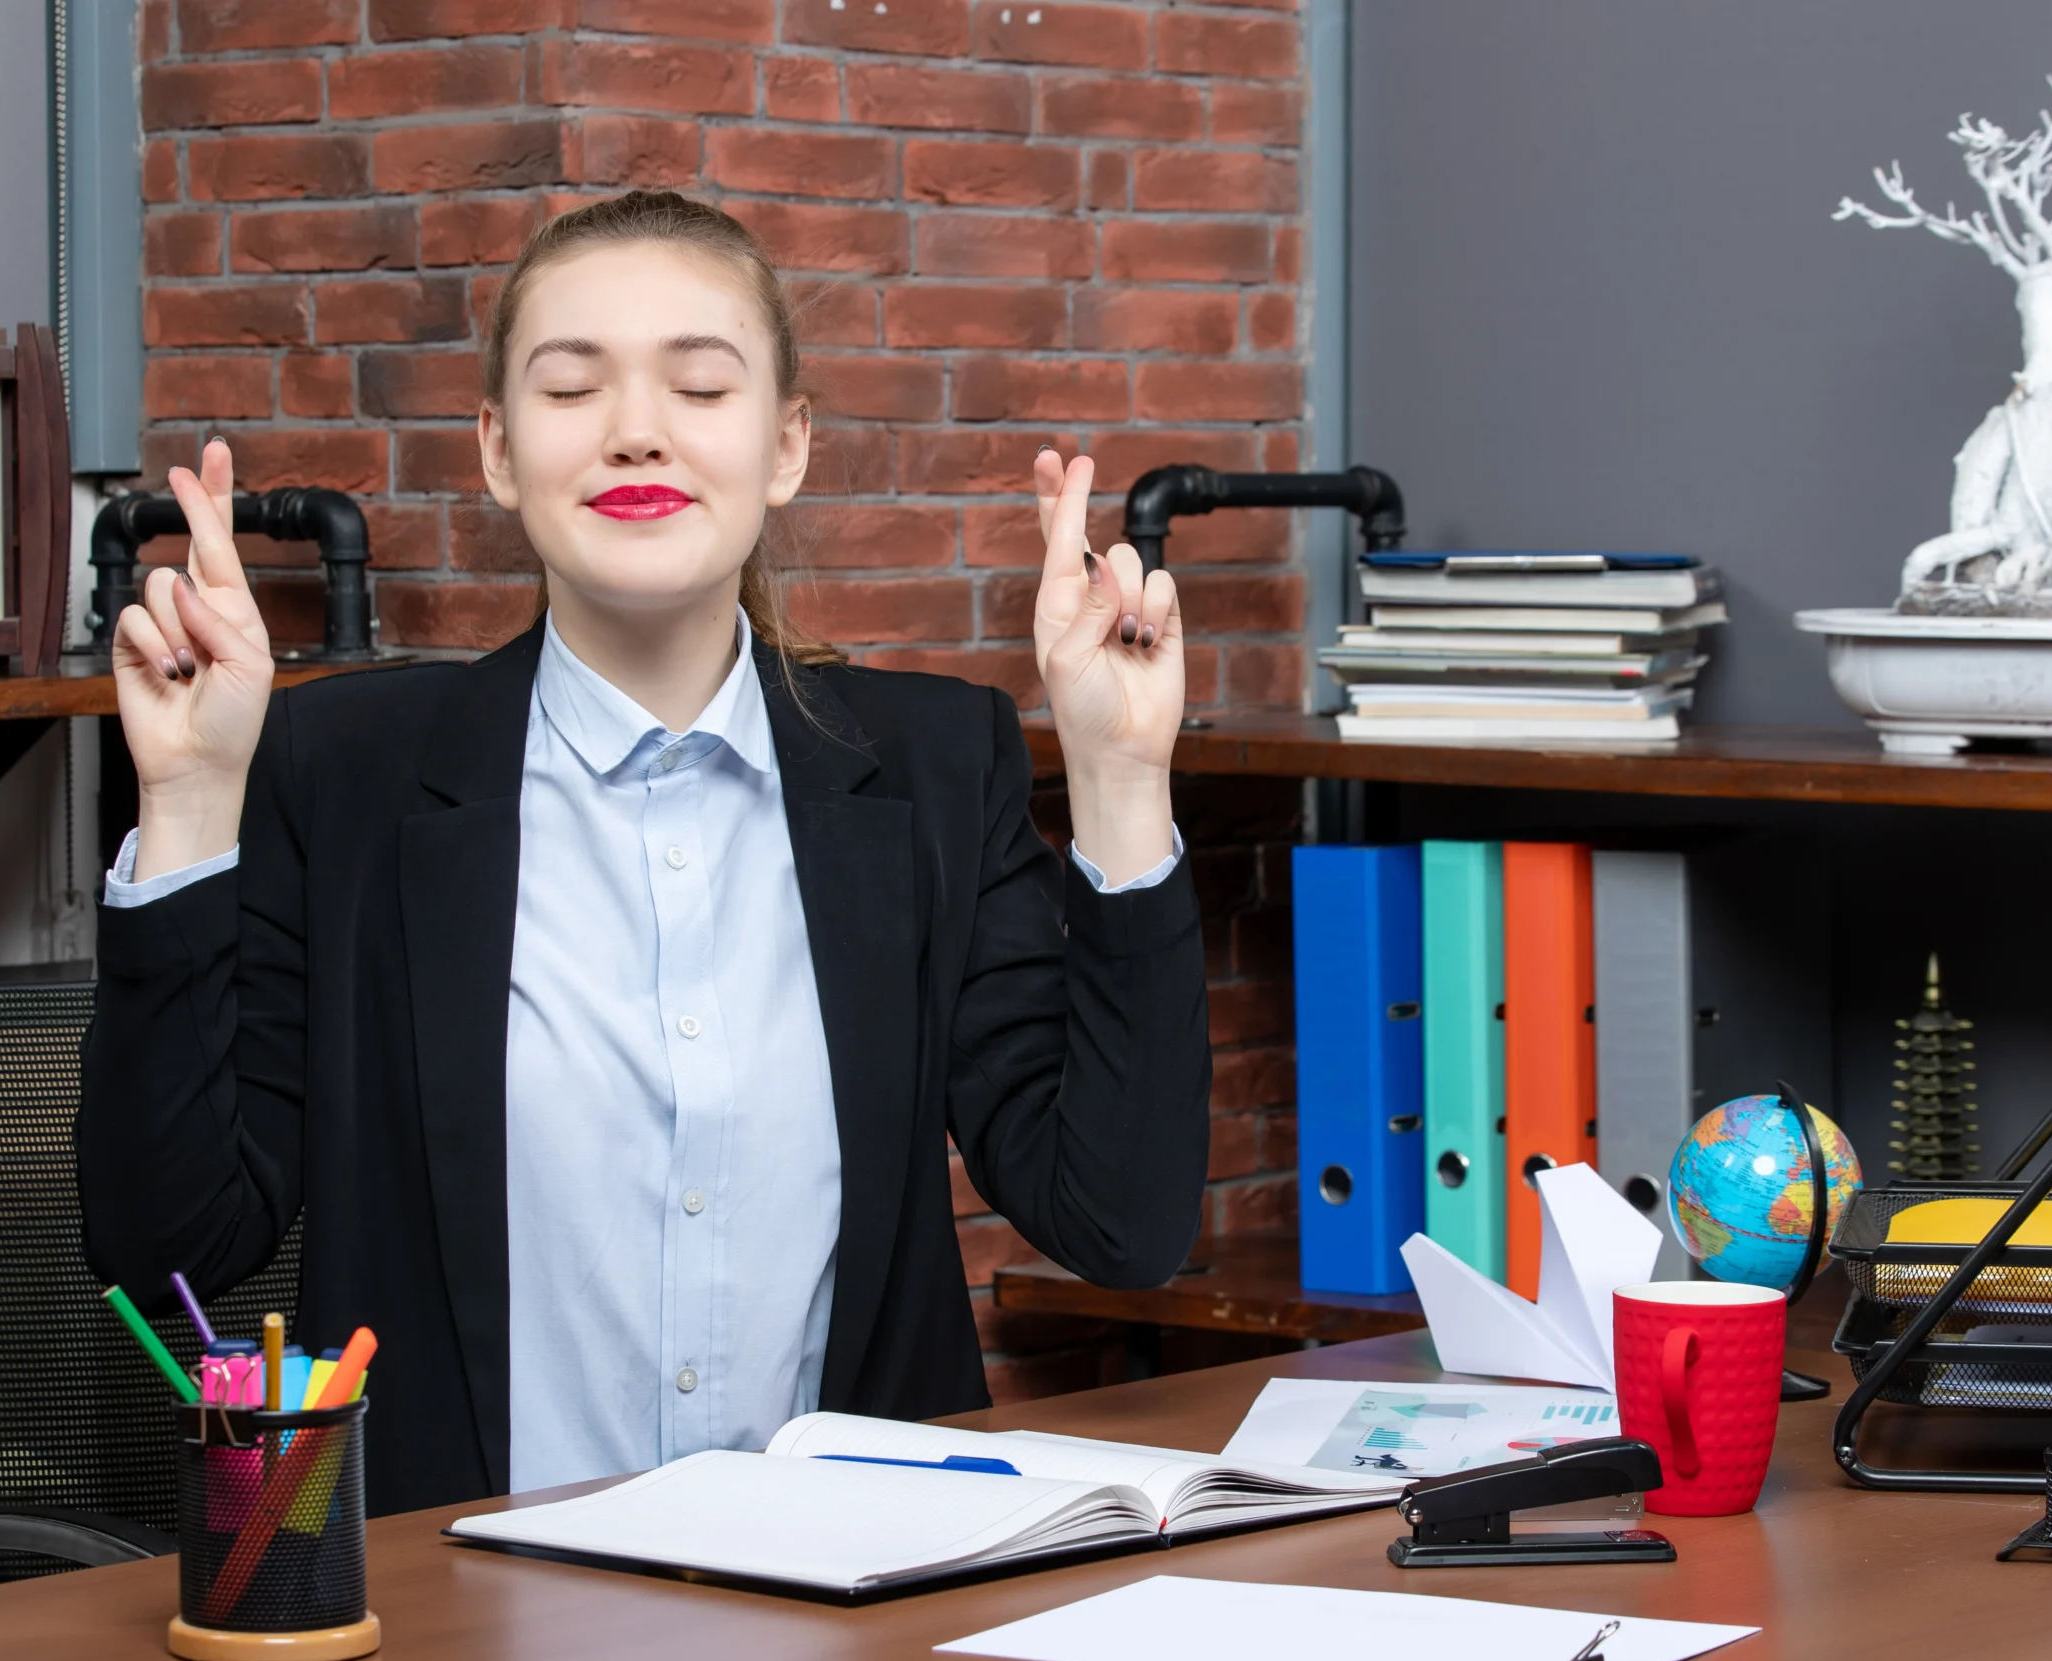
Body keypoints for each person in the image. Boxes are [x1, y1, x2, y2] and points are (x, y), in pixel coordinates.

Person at [77, 190, 1210, 1517]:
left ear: (786, 444)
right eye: (571, 388)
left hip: (851, 1609)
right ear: (496, 449)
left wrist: (1123, 782)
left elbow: (1122, 1227)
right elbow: (173, 1251)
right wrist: (192, 807)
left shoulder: (933, 770)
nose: (636, 431)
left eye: (700, 385)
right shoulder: (345, 777)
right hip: (469, 1622)